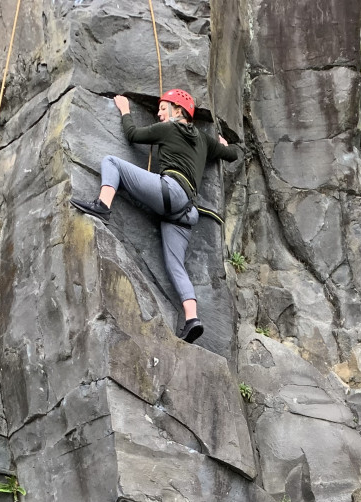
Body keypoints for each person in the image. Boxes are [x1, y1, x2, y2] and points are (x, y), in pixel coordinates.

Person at [70, 89, 240, 344]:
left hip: (170, 192)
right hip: (185, 212)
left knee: (111, 162)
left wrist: (126, 111)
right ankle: (192, 318)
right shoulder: (205, 141)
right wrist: (224, 146)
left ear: (178, 111)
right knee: (175, 265)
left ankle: (103, 205)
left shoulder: (169, 129)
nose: (160, 114)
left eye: (163, 108)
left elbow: (133, 136)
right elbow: (232, 154)